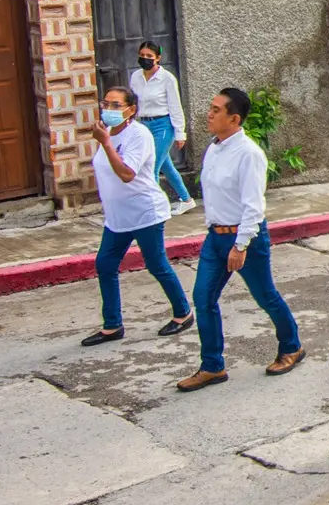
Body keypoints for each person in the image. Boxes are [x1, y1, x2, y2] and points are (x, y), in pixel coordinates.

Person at [178, 88, 304, 392]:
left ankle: (292, 346)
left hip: (245, 237)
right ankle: (212, 366)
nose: (209, 114)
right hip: (215, 238)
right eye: (210, 107)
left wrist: (240, 245)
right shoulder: (214, 148)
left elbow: (253, 206)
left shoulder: (249, 154)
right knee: (203, 298)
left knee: (265, 295)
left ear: (234, 119)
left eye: (216, 110)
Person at [81, 86, 193, 347]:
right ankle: (112, 325)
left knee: (156, 264)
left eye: (116, 105)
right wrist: (106, 140)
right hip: (118, 217)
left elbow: (127, 174)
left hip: (145, 213)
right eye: (105, 104)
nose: (108, 110)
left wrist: (105, 143)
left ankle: (183, 313)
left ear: (131, 110)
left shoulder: (138, 135)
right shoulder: (108, 132)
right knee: (105, 265)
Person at [129, 41, 196, 216]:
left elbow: (175, 106)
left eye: (149, 56)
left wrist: (180, 133)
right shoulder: (136, 77)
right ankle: (187, 200)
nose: (145, 59)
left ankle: (153, 207)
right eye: (142, 55)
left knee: (151, 167)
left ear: (158, 58)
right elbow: (133, 103)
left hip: (163, 126)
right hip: (144, 125)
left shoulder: (167, 78)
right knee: (166, 167)